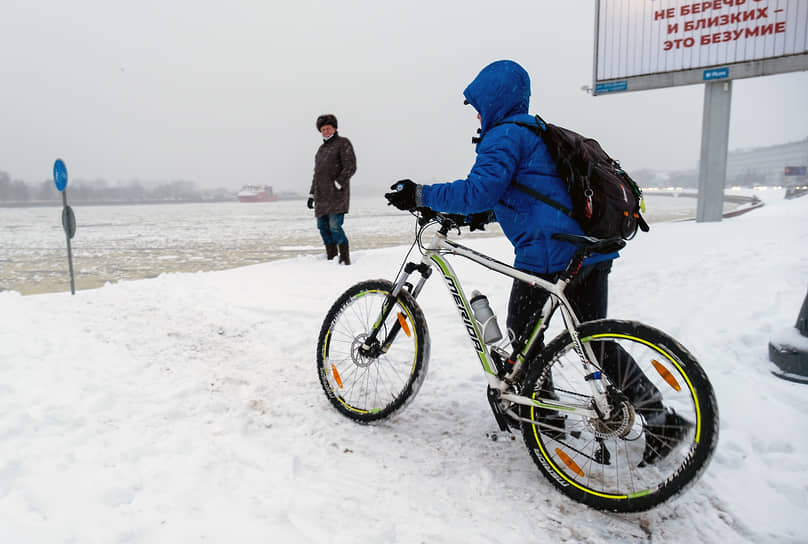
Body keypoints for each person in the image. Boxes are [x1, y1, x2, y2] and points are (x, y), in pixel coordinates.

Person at [385, 60, 688, 464]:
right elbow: (528, 194)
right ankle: (659, 419)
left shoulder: (504, 135)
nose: (476, 113)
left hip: (549, 254)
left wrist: (420, 194)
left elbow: (478, 191)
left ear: (493, 98)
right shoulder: (536, 132)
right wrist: (481, 217)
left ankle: (541, 416)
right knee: (593, 340)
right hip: (588, 249)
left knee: (522, 335)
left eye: (477, 103)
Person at [308, 114, 357, 265]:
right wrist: (312, 195)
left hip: (336, 195)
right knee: (322, 227)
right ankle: (331, 256)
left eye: (328, 128)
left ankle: (344, 257)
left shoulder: (343, 143)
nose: (326, 131)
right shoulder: (321, 149)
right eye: (323, 129)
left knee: (335, 226)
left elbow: (350, 166)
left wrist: (338, 183)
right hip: (321, 196)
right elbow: (317, 174)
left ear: (335, 128)